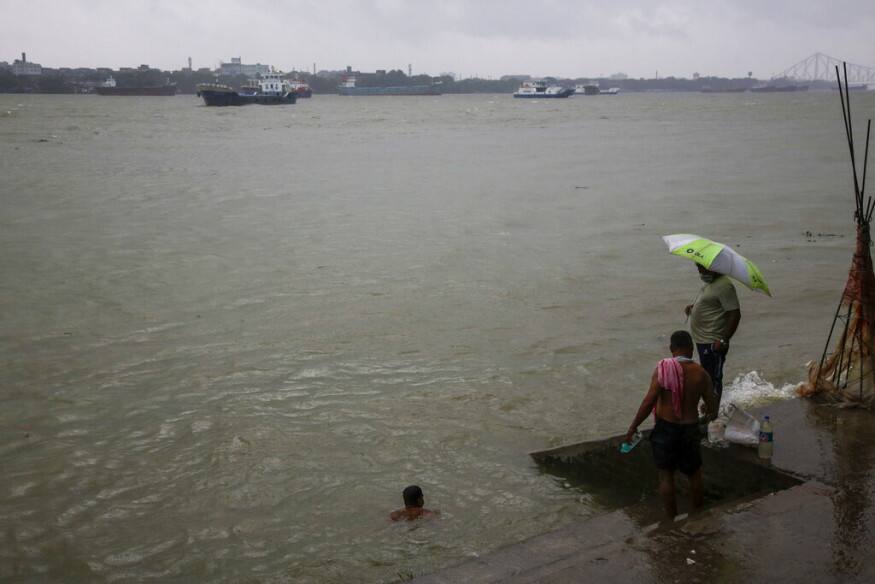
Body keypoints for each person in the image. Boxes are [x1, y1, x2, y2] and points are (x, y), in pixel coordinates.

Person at [625, 330, 719, 519]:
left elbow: (649, 401)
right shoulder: (701, 373)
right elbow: (713, 406)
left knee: (666, 475)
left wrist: (633, 426)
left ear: (671, 349)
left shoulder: (663, 369)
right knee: (694, 474)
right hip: (690, 428)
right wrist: (707, 413)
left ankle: (671, 519)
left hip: (666, 428)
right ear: (692, 349)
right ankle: (698, 515)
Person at [685, 263, 741, 406]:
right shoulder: (711, 283)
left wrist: (723, 339)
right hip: (703, 340)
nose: (699, 272)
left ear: (712, 268)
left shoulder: (724, 286)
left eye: (701, 268)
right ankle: (709, 409)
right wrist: (694, 308)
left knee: (712, 379)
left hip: (713, 341)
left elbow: (734, 314)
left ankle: (713, 414)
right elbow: (712, 303)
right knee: (705, 377)